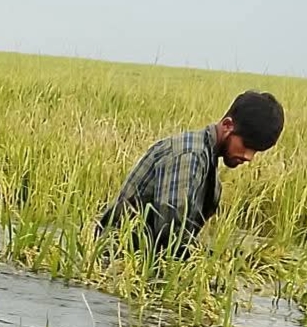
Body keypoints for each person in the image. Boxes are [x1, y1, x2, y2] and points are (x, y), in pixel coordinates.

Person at [98, 90, 285, 257]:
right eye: (247, 146)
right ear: (227, 125)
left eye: (256, 151)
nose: (249, 157)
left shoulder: (206, 161)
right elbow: (170, 236)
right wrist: (214, 260)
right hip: (117, 256)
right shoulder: (189, 156)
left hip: (143, 255)